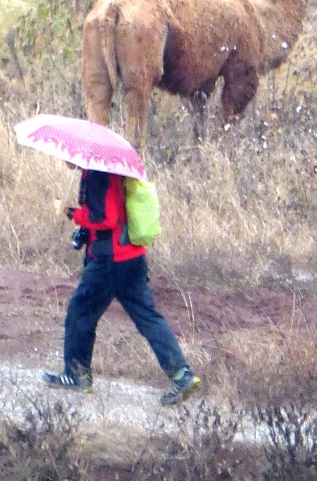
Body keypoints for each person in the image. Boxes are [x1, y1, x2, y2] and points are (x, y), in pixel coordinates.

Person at [44, 167, 200, 407]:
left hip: (109, 261)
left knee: (79, 312)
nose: (64, 160)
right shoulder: (114, 171)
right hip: (133, 256)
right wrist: (84, 231)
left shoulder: (97, 174)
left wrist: (74, 214)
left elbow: (104, 218)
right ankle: (182, 375)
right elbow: (114, 214)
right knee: (148, 317)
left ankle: (77, 376)